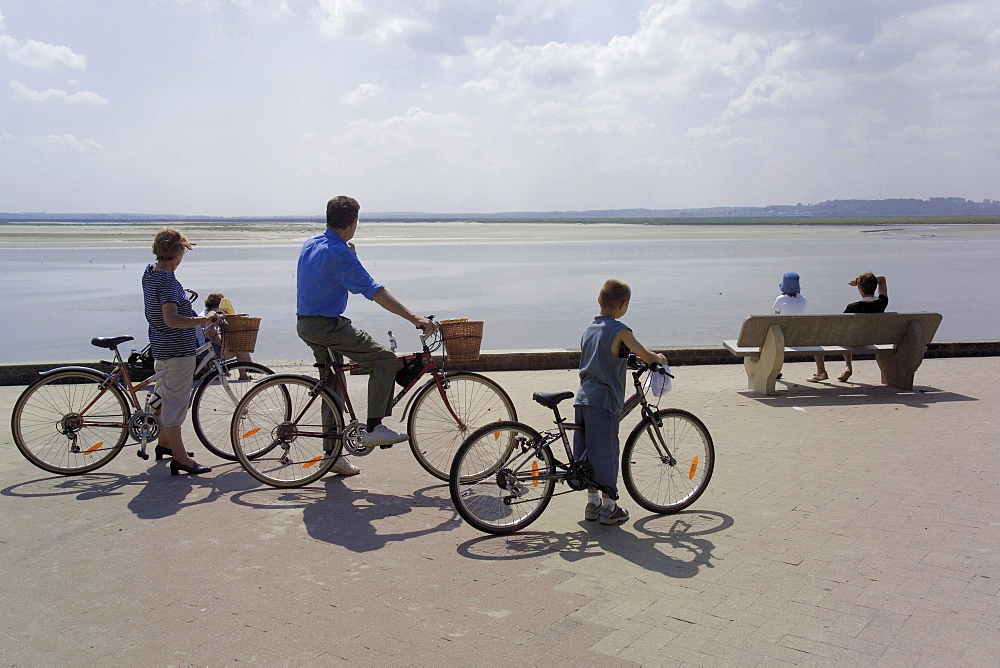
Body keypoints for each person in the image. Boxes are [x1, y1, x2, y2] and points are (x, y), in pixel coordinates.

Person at [296, 196, 435, 476]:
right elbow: (376, 292)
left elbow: (328, 277)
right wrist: (414, 318)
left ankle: (331, 456)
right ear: (353, 223)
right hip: (327, 326)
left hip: (306, 324)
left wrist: (351, 257)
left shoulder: (312, 243)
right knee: (384, 359)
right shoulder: (339, 253)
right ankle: (374, 427)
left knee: (332, 386)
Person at [573, 279, 668, 525]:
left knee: (588, 453)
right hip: (604, 401)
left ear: (599, 301)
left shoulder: (589, 329)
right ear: (623, 304)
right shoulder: (621, 330)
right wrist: (658, 358)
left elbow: (602, 356)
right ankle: (609, 507)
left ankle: (592, 504)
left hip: (583, 398)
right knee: (606, 453)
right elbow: (645, 354)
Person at [142, 228, 221, 475]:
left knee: (165, 397)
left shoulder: (150, 273)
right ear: (177, 252)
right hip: (177, 349)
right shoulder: (167, 280)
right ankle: (180, 458)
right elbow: (172, 319)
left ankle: (164, 444)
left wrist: (182, 299)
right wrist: (204, 319)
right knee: (176, 404)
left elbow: (162, 306)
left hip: (161, 346)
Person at [809, 272, 888, 383]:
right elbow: (882, 279)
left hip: (852, 341)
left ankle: (822, 371)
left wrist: (859, 281)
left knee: (826, 336)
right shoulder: (882, 303)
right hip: (871, 340)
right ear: (875, 286)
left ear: (859, 288)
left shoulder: (853, 307)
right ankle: (847, 367)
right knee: (850, 334)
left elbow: (841, 328)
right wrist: (861, 281)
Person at [202, 292, 252, 380]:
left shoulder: (205, 313)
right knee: (240, 349)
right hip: (208, 351)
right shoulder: (209, 318)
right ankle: (246, 372)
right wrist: (233, 342)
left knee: (239, 346)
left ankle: (248, 368)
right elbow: (217, 340)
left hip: (207, 347)